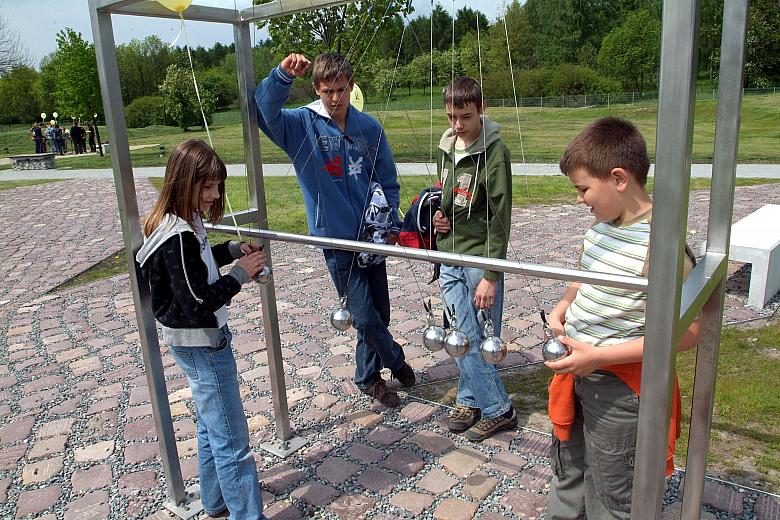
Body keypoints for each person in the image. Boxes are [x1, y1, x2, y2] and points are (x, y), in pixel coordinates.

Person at [544, 117, 701, 519]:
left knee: (614, 492)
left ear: (618, 178)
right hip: (579, 372)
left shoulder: (660, 245)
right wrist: (564, 306)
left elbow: (688, 332)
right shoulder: (600, 229)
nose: (580, 200)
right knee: (569, 471)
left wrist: (600, 357)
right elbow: (583, 281)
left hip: (620, 392)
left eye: (583, 189)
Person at [255, 52, 415, 407]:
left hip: (372, 236)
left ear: (351, 86)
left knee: (380, 312)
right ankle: (395, 360)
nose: (335, 99)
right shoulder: (301, 125)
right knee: (362, 313)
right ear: (316, 89)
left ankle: (367, 376)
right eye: (327, 91)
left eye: (341, 90)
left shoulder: (369, 128)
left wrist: (387, 219)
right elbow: (264, 111)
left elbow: (387, 179)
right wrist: (282, 76)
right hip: (336, 239)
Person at [135, 139, 269, 520]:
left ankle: (215, 501)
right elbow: (196, 301)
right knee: (232, 441)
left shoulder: (180, 220)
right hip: (204, 343)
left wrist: (229, 250)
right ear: (183, 182)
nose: (212, 196)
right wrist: (240, 276)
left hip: (192, 344)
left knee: (213, 428)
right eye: (206, 187)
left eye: (216, 187)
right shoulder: (177, 233)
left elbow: (195, 266)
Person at [431, 76, 517, 442]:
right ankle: (476, 399)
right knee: (460, 333)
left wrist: (491, 275)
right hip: (449, 254)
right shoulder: (446, 146)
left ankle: (496, 408)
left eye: (465, 117)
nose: (458, 125)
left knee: (477, 336)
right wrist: (438, 217)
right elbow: (447, 194)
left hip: (480, 260)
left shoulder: (495, 153)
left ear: (481, 110)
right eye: (451, 116)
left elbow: (501, 219)